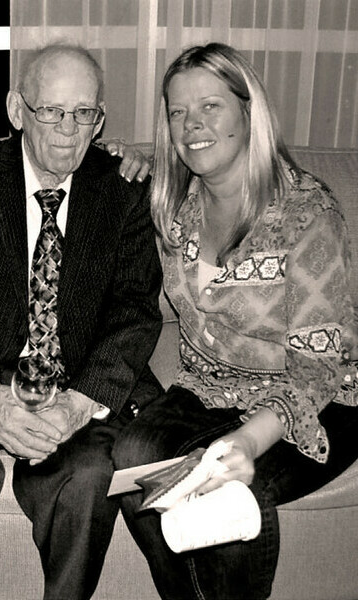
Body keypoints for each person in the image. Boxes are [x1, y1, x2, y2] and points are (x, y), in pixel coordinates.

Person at [0, 43, 164, 600]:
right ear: (17, 109)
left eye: (84, 113)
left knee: (90, 476)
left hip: (74, 384)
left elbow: (135, 309)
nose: (70, 130)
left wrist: (79, 402)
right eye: (51, 111)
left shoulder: (123, 189)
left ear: (100, 118)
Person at [112, 42, 358, 600]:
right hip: (209, 390)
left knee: (229, 496)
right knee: (132, 459)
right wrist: (114, 156)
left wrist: (248, 442)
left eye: (211, 107)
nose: (192, 124)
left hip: (315, 398)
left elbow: (317, 370)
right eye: (177, 112)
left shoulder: (306, 213)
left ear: (249, 112)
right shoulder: (176, 206)